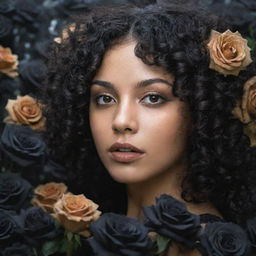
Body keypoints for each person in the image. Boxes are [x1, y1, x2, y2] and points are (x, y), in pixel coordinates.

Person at [42, 1, 256, 255]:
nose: (121, 121)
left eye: (153, 98)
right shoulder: (97, 231)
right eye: (104, 98)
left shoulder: (200, 248)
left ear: (201, 109)